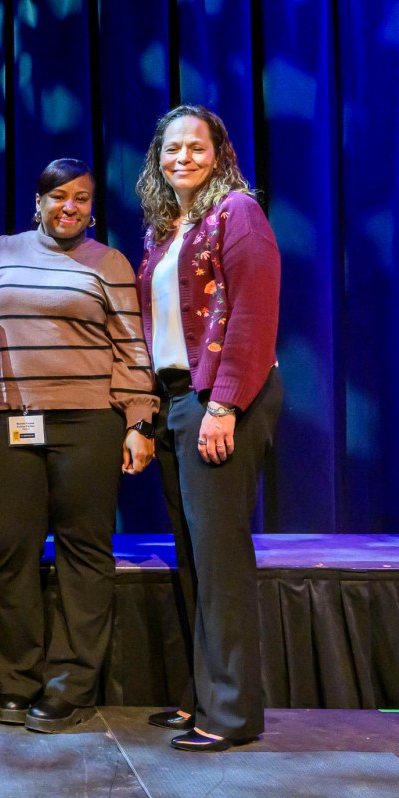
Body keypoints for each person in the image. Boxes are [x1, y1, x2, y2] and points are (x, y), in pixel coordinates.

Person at [0, 158, 158, 733]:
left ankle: (69, 685)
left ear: (92, 207)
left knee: (84, 553)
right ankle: (16, 680)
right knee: (12, 553)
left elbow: (133, 349)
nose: (69, 207)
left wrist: (139, 420)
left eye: (81, 199)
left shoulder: (109, 263)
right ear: (38, 202)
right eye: (58, 197)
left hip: (88, 425)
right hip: (12, 424)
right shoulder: (2, 253)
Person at [135, 105, 284, 752]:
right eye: (172, 149)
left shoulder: (239, 213)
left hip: (219, 396)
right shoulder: (168, 229)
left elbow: (252, 310)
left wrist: (223, 404)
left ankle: (230, 712)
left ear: (219, 153)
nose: (183, 158)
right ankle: (202, 694)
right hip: (176, 398)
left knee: (219, 558)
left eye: (196, 147)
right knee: (196, 557)